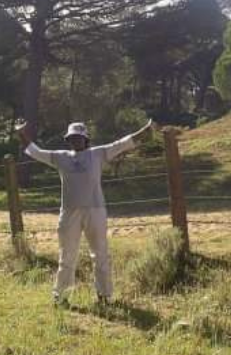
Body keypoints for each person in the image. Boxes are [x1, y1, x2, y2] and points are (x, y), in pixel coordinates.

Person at [16, 119, 157, 307]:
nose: (76, 141)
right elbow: (36, 152)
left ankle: (104, 295)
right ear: (68, 139)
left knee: (100, 254)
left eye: (79, 137)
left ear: (86, 139)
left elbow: (121, 145)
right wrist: (21, 133)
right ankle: (62, 296)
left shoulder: (97, 154)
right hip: (69, 212)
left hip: (95, 210)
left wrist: (144, 132)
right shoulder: (61, 157)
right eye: (73, 137)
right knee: (67, 255)